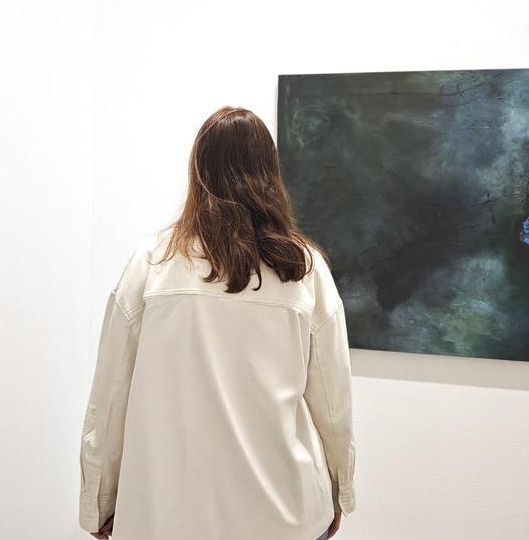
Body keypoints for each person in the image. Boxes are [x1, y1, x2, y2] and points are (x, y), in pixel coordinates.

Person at [78, 106, 357, 540]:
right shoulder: (304, 270)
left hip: (165, 517)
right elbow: (334, 405)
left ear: (198, 171)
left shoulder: (152, 264)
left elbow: (109, 399)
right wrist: (341, 490)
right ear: (270, 173)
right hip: (286, 515)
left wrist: (100, 502)